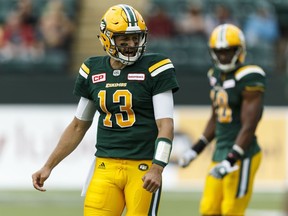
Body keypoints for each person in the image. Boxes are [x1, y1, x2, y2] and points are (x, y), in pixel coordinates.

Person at [32, 4, 179, 216]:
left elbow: (166, 124)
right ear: (107, 38)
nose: (131, 44)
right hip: (105, 166)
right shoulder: (93, 69)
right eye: (124, 39)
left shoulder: (156, 67)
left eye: (135, 38)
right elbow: (77, 126)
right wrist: (48, 166)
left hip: (143, 168)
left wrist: (158, 167)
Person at [178, 24, 266, 216]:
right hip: (220, 151)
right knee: (208, 208)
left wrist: (231, 159)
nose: (224, 56)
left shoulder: (249, 76)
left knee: (230, 210)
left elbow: (250, 125)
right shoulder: (215, 75)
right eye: (219, 51)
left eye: (228, 51)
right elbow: (216, 117)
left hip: (243, 154)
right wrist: (195, 151)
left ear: (239, 51)